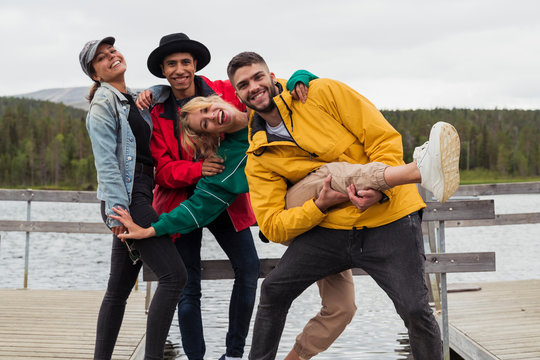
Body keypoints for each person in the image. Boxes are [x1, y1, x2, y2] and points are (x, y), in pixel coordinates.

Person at [112, 93, 459, 359]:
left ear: (217, 98)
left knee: (342, 308)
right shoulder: (231, 160)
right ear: (210, 136)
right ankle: (418, 170)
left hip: (343, 219)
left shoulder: (272, 101)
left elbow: (280, 82)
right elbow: (197, 208)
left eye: (206, 110)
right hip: (302, 205)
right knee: (333, 174)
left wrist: (303, 78)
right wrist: (151, 230)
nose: (210, 118)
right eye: (205, 125)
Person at [226, 52, 459, 360]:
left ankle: (405, 174)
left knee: (415, 309)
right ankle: (418, 170)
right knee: (273, 290)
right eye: (243, 84)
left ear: (271, 76)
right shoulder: (258, 157)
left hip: (388, 217)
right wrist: (319, 207)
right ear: (239, 94)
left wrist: (379, 191)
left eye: (258, 77)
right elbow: (270, 225)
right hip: (330, 227)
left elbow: (382, 137)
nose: (253, 87)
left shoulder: (320, 92)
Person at [142, 33, 259, 360]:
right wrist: (197, 170)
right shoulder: (157, 111)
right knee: (187, 287)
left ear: (195, 64)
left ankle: (234, 353)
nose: (179, 70)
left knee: (248, 269)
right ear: (163, 70)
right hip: (181, 204)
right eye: (171, 64)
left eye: (185, 62)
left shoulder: (223, 91)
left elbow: (265, 89)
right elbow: (162, 172)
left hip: (225, 201)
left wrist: (303, 79)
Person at [79, 37, 187, 360]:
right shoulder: (103, 104)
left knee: (117, 291)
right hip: (128, 200)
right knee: (174, 276)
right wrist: (117, 213)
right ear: (95, 74)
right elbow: (106, 164)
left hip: (140, 195)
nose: (111, 56)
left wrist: (150, 93)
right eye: (101, 57)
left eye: (112, 50)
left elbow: (166, 91)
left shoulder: (131, 100)